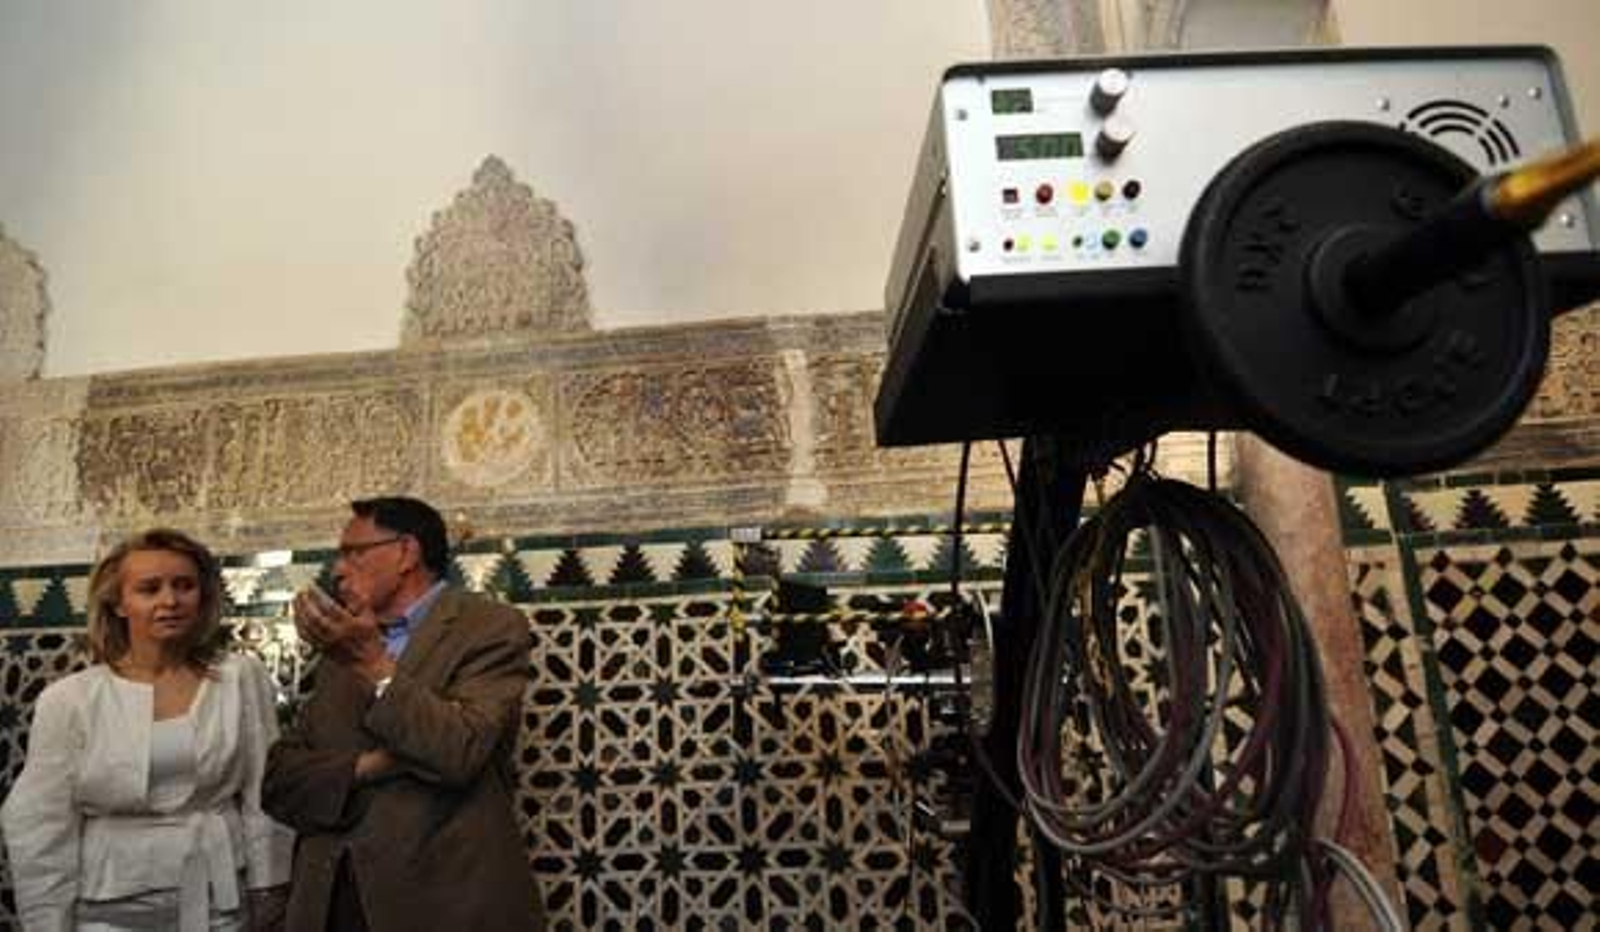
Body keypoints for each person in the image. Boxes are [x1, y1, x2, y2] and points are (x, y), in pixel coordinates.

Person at [262, 496, 541, 932]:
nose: (338, 570)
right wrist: (366, 767)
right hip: (331, 901)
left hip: (442, 901)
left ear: (406, 552)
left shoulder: (488, 627)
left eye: (354, 553)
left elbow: (460, 750)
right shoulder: (342, 646)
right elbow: (282, 779)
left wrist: (373, 664)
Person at [1, 528, 294, 932]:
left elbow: (265, 791)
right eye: (149, 588)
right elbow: (40, 820)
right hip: (110, 907)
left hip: (219, 898)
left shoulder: (239, 677)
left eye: (184, 585)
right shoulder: (70, 700)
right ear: (119, 603)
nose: (170, 600)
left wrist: (269, 885)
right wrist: (48, 922)